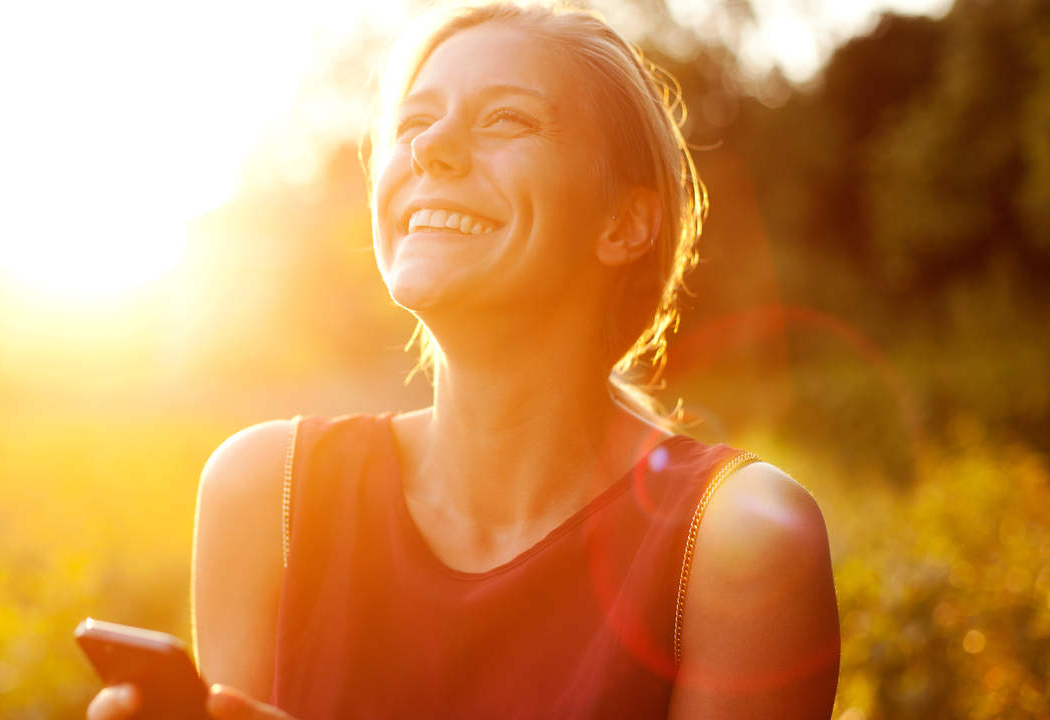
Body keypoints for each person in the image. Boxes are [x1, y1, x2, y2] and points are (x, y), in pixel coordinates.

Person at [89, 2, 840, 718]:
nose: (427, 148)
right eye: (413, 122)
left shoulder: (740, 540)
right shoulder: (265, 495)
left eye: (505, 119)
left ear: (625, 221)